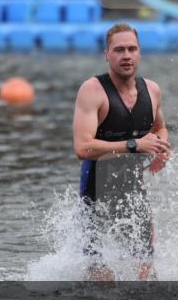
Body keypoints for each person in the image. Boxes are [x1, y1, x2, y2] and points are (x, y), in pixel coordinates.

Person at [72, 23, 170, 281]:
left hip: (134, 193)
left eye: (132, 49)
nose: (126, 55)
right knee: (103, 282)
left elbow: (160, 128)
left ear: (139, 53)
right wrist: (132, 144)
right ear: (107, 55)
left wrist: (161, 149)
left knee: (144, 277)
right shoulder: (93, 91)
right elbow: (82, 148)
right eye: (119, 50)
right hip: (96, 194)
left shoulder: (152, 90)